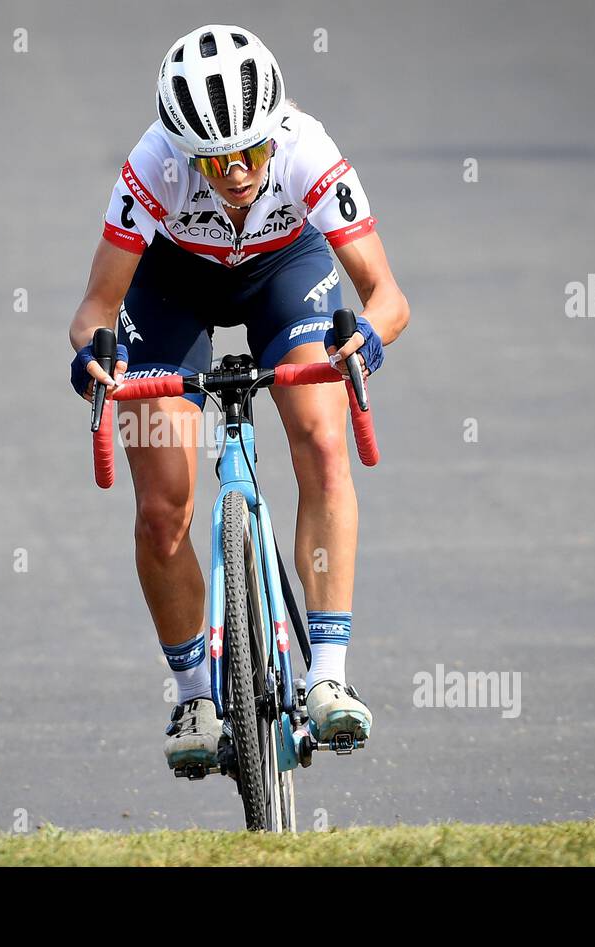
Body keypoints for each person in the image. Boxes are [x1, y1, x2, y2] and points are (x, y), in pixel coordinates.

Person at [68, 24, 409, 772]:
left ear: (273, 135)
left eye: (251, 154)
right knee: (163, 510)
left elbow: (387, 295)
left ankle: (327, 678)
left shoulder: (307, 149)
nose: (236, 173)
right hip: (172, 285)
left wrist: (369, 342)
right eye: (215, 161)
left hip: (283, 274)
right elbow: (95, 309)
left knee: (322, 441)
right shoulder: (150, 166)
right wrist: (97, 358)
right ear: (183, 151)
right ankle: (193, 693)